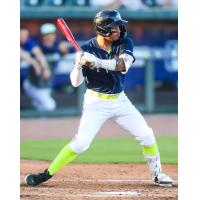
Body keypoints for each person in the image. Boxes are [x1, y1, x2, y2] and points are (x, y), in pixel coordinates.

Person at [25, 10, 173, 187]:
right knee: (81, 144)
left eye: (119, 26)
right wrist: (78, 65)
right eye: (114, 26)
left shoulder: (125, 42)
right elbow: (75, 82)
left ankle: (157, 174)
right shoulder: (87, 49)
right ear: (102, 29)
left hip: (120, 101)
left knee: (147, 135)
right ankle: (46, 174)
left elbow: (123, 65)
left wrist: (96, 61)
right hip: (96, 103)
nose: (118, 29)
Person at [20, 25, 56, 111]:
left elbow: (38, 53)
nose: (23, 38)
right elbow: (21, 53)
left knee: (45, 105)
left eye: (25, 35)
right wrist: (35, 63)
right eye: (21, 35)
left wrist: (45, 67)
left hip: (33, 83)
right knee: (49, 106)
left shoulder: (28, 42)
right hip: (30, 83)